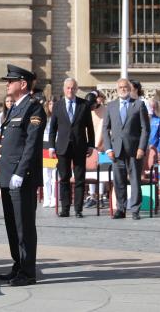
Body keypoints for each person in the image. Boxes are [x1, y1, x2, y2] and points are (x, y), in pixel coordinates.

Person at [0, 64, 46, 286]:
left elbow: (31, 145)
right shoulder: (15, 107)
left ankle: (28, 272)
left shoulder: (33, 108)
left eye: (10, 80)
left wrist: (21, 172)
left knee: (23, 225)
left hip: (21, 177)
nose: (7, 84)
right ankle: (18, 264)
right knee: (11, 224)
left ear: (23, 84)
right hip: (8, 177)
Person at [102, 78, 149, 220]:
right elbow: (105, 129)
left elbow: (145, 129)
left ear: (129, 89)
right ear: (117, 89)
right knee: (118, 181)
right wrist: (108, 149)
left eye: (125, 87)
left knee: (135, 180)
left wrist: (142, 147)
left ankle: (135, 209)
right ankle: (120, 209)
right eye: (120, 87)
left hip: (134, 150)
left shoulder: (139, 105)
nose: (123, 89)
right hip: (116, 150)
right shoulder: (110, 106)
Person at [49, 77, 95, 218]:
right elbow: (52, 129)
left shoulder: (84, 104)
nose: (70, 90)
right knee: (64, 178)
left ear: (76, 89)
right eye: (68, 88)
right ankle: (65, 208)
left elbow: (90, 127)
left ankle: (78, 209)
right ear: (64, 89)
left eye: (73, 88)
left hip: (80, 146)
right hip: (62, 147)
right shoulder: (57, 106)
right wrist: (51, 147)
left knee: (80, 179)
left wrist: (91, 145)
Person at [85, 90, 108, 209]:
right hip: (90, 144)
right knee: (90, 169)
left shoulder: (105, 110)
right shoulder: (87, 109)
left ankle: (101, 196)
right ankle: (92, 195)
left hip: (101, 144)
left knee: (101, 171)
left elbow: (105, 128)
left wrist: (101, 144)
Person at [42, 97, 58, 208]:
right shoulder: (45, 118)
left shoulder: (60, 118)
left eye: (54, 104)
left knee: (55, 176)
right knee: (46, 176)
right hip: (45, 148)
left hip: (56, 147)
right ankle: (46, 198)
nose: (52, 106)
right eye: (50, 104)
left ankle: (55, 198)